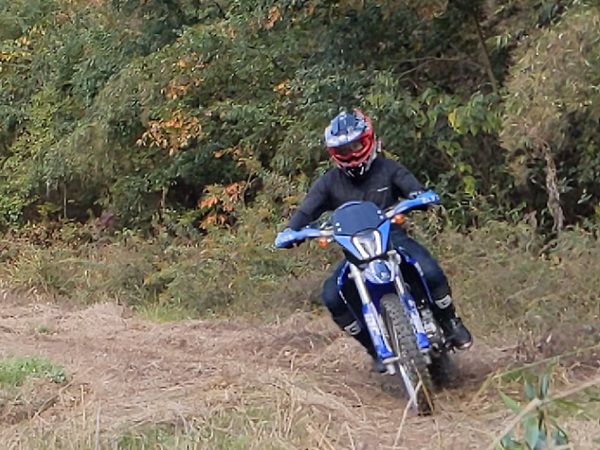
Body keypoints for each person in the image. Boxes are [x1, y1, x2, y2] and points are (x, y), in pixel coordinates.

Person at [278, 108, 473, 372]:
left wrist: (420, 196)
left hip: (392, 240)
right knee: (332, 296)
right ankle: (373, 347)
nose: (350, 153)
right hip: (354, 252)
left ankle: (450, 322)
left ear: (369, 140)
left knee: (429, 270)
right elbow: (305, 211)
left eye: (355, 145)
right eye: (343, 149)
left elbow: (412, 187)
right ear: (334, 152)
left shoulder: (388, 169)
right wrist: (291, 231)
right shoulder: (329, 182)